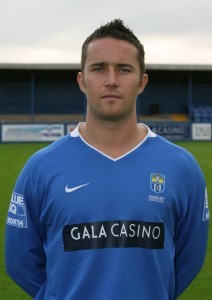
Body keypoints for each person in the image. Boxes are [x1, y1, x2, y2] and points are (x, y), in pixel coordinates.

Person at [5, 19, 209, 300]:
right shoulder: (40, 168)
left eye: (124, 69)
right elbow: (20, 263)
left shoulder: (182, 168)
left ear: (142, 82)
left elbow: (189, 260)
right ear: (82, 81)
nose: (111, 79)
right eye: (99, 68)